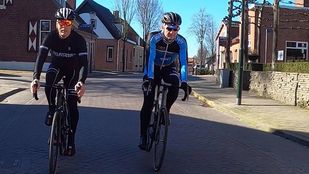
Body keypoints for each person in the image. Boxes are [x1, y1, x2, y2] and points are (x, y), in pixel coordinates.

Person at [30, 7, 88, 156]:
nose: (63, 25)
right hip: (56, 67)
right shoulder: (50, 37)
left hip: (73, 72)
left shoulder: (79, 40)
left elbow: (84, 64)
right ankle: (51, 109)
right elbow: (41, 57)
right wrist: (35, 78)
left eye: (67, 22)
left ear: (72, 24)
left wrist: (81, 81)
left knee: (71, 102)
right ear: (56, 23)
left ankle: (71, 141)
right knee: (49, 79)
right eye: (60, 22)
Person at [139, 12, 192, 150]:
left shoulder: (181, 42)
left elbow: (184, 63)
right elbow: (149, 59)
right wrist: (149, 79)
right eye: (169, 28)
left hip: (169, 67)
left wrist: (184, 82)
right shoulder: (154, 38)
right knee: (148, 102)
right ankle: (143, 135)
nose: (172, 32)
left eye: (176, 29)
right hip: (153, 68)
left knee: (175, 84)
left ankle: (165, 110)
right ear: (163, 26)